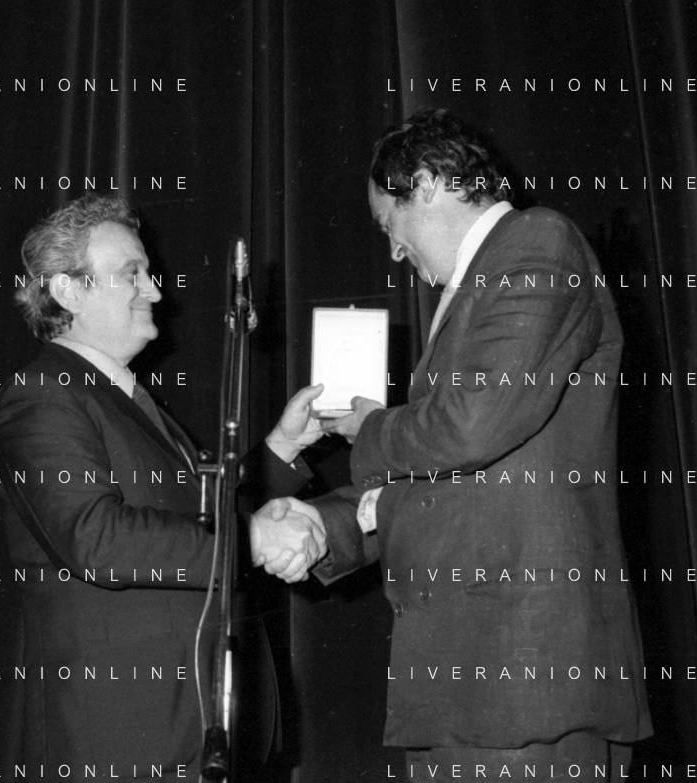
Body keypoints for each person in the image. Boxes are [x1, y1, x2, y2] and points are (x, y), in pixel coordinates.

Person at [257, 108, 653, 781]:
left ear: (427, 183)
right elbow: (447, 482)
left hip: (525, 683)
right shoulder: (484, 280)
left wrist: (370, 428)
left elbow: (471, 426)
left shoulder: (537, 242)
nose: (393, 250)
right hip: (477, 690)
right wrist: (326, 526)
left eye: (388, 222)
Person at [0, 194, 327, 779]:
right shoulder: (44, 395)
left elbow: (195, 517)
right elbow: (97, 537)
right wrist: (251, 539)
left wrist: (281, 448)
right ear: (68, 291)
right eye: (132, 274)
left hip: (187, 732)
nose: (155, 290)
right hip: (124, 741)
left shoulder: (125, 399)